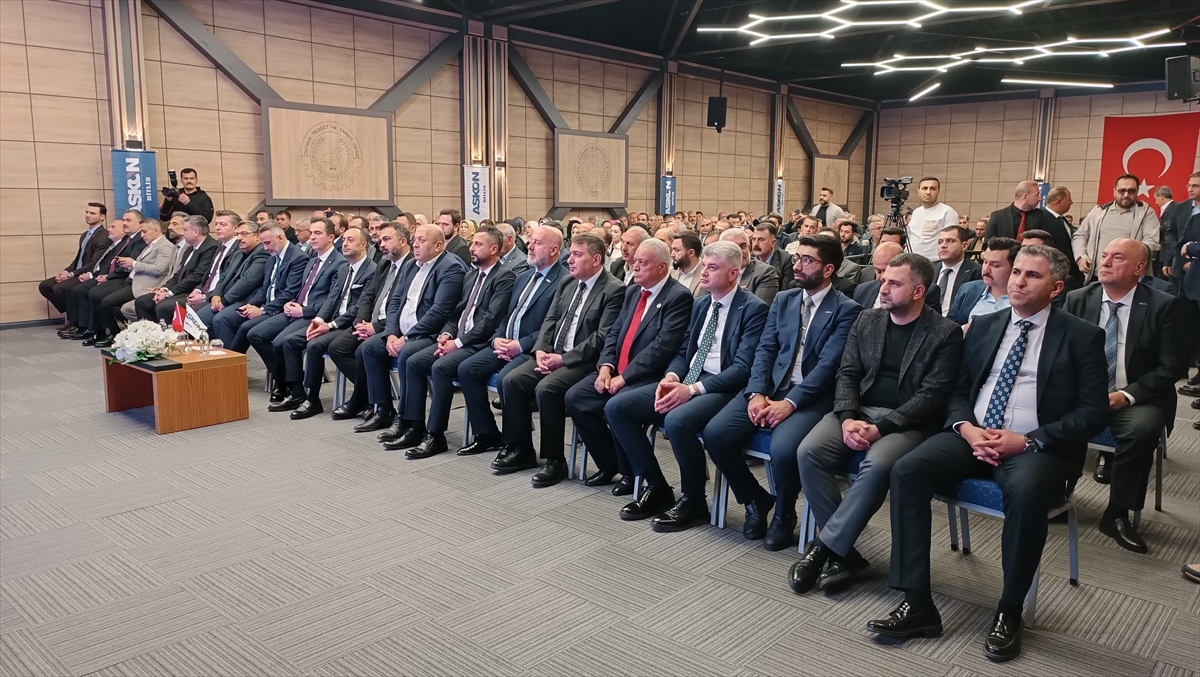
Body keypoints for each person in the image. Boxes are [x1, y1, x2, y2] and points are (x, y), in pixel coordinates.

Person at [867, 245, 1108, 663]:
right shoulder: (984, 325)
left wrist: (1027, 441)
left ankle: (1009, 611)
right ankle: (917, 602)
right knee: (907, 470)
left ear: (1056, 288)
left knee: (1026, 492)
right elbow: (957, 390)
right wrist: (966, 427)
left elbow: (1092, 413)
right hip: (973, 434)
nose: (1018, 281)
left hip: (1037, 447)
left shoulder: (1082, 336)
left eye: (1032, 275)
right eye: (1017, 272)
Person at [790, 254, 963, 594]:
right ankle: (845, 554)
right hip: (858, 411)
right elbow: (847, 374)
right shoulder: (867, 319)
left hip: (907, 422)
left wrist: (880, 429)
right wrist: (847, 418)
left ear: (918, 291)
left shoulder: (945, 332)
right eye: (883, 280)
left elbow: (932, 396)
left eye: (894, 283)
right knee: (809, 452)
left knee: (878, 464)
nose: (883, 288)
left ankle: (823, 549)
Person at [702, 236, 862, 551]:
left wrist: (790, 403)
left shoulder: (847, 309)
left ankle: (784, 514)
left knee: (785, 449)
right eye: (797, 258)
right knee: (716, 434)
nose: (797, 265)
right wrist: (757, 392)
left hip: (810, 396)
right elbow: (765, 350)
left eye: (807, 260)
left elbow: (828, 366)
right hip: (771, 387)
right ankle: (756, 499)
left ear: (828, 269)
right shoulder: (784, 299)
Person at [607, 241, 769, 529]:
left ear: (733, 273)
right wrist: (671, 377)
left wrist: (692, 390)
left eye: (712, 267)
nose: (703, 272)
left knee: (678, 421)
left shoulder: (753, 309)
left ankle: (694, 500)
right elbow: (684, 351)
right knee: (618, 407)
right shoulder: (701, 303)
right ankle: (656, 486)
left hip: (723, 387)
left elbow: (743, 369)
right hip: (689, 378)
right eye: (704, 266)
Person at [1063, 238, 1181, 553]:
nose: (1105, 262)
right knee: (1045, 413)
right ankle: (1055, 495)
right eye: (1104, 256)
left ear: (1139, 267)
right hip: (1085, 394)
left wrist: (1126, 396)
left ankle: (1117, 512)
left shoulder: (1162, 304)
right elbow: (1061, 352)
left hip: (1139, 396)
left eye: (1117, 257)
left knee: (1141, 430)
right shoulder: (1078, 298)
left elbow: (1172, 366)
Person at [490, 234, 625, 484]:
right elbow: (550, 319)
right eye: (570, 253)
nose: (569, 259)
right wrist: (541, 349)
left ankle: (555, 461)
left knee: (547, 389)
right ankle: (521, 449)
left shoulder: (613, 289)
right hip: (553, 352)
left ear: (596, 259)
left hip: (583, 360)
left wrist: (562, 359)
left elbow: (602, 337)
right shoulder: (567, 281)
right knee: (511, 380)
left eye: (577, 255)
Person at [563, 239, 693, 495]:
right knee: (576, 397)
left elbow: (662, 347)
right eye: (635, 261)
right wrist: (605, 368)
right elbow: (614, 333)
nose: (635, 267)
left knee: (616, 406)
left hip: (648, 376)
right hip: (617, 369)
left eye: (643, 262)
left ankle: (644, 478)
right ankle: (613, 464)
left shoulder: (678, 297)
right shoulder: (633, 291)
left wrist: (624, 378)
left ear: (662, 267)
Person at [383, 227, 516, 457]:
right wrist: (446, 335)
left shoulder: (504, 277)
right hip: (458, 339)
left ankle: (436, 435)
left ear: (494, 249)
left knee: (441, 367)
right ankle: (414, 426)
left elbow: (490, 320)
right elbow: (455, 315)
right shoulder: (472, 275)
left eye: (478, 244)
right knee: (414, 361)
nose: (472, 248)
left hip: (480, 342)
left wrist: (458, 343)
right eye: (472, 243)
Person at [455, 226, 566, 457]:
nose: (530, 246)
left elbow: (553, 327)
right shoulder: (523, 277)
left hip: (532, 349)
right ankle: (487, 434)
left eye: (537, 243)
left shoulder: (563, 281)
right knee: (467, 369)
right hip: (506, 343)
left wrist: (521, 345)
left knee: (508, 379)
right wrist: (497, 338)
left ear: (554, 250)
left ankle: (519, 447)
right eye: (531, 241)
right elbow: (508, 315)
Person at [354, 225, 465, 434]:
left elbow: (439, 312)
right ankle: (383, 410)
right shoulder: (411, 265)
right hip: (402, 333)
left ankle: (409, 421)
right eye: (416, 239)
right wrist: (391, 333)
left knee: (407, 353)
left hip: (429, 334)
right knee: (370, 347)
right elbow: (395, 301)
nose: (415, 244)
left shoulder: (451, 267)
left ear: (438, 246)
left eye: (422, 240)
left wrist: (406, 338)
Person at [276, 226, 376, 419]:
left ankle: (315, 398)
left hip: (351, 323)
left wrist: (330, 325)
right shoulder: (344, 268)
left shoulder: (371, 270)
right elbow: (331, 299)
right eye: (344, 240)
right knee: (292, 340)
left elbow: (359, 308)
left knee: (314, 346)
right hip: (332, 320)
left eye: (350, 240)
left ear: (364, 244)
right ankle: (299, 394)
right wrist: (319, 319)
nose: (345, 244)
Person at [249, 218, 347, 401]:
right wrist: (291, 303)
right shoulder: (312, 261)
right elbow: (301, 290)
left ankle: (294, 391)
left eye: (318, 233)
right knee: (255, 334)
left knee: (282, 342)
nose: (313, 237)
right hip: (297, 309)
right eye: (311, 233)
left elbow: (332, 300)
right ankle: (284, 380)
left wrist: (303, 311)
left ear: (331, 237)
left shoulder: (339, 263)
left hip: (314, 314)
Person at [328, 222, 412, 421]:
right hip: (371, 323)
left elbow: (402, 308)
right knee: (337, 348)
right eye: (380, 240)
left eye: (386, 239)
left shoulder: (412, 266)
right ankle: (367, 397)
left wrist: (375, 327)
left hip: (393, 326)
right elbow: (369, 295)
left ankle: (367, 402)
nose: (381, 244)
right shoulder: (384, 263)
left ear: (403, 241)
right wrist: (360, 322)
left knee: (363, 351)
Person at [211, 224, 309, 353]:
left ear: (280, 237)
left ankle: (232, 361)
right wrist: (251, 304)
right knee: (226, 318)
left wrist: (262, 310)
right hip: (266, 304)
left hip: (281, 308)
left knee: (247, 329)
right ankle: (229, 360)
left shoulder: (298, 258)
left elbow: (289, 293)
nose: (265, 248)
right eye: (263, 243)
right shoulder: (273, 257)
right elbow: (264, 288)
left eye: (268, 243)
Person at [95, 218, 174, 345]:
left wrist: (134, 264)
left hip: (146, 286)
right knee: (105, 300)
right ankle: (133, 332)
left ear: (156, 230)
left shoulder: (165, 246)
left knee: (108, 303)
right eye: (141, 232)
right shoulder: (150, 245)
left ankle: (139, 332)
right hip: (134, 282)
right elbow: (140, 265)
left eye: (144, 232)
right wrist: (128, 265)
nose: (141, 235)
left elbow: (159, 269)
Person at [76, 211, 148, 344]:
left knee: (96, 294)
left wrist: (108, 277)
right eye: (124, 220)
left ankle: (113, 332)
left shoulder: (140, 240)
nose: (124, 223)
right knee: (93, 292)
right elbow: (110, 261)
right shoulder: (127, 239)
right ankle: (101, 331)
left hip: (127, 278)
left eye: (128, 220)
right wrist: (102, 275)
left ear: (139, 224)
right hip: (116, 276)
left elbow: (127, 264)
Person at [1074, 174, 1161, 284]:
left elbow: (1151, 240)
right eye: (1122, 190)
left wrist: (1130, 259)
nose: (1126, 195)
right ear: (1114, 191)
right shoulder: (1098, 211)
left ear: (1137, 192)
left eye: (1131, 191)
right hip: (1096, 277)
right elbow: (1080, 235)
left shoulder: (1146, 212)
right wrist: (1081, 257)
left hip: (1129, 280)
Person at [133, 215, 218, 324]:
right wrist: (164, 289)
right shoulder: (190, 248)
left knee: (162, 306)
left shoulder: (211, 247)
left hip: (192, 291)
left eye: (185, 230)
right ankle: (151, 332)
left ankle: (168, 333)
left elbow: (197, 276)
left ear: (196, 232)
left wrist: (170, 293)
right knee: (142, 301)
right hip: (181, 289)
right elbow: (178, 274)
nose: (183, 232)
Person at [40, 202, 111, 326]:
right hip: (77, 272)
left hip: (88, 274)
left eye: (92, 213)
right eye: (87, 212)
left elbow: (94, 263)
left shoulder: (104, 236)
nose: (88, 215)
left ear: (102, 217)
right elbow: (78, 258)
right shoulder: (85, 235)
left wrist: (71, 275)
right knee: (45, 286)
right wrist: (66, 272)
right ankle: (74, 313)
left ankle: (74, 320)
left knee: (59, 288)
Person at [195, 221, 268, 330]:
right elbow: (223, 276)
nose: (239, 238)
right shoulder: (238, 253)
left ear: (257, 236)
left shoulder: (262, 252)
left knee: (219, 319)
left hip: (246, 299)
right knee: (198, 316)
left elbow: (247, 281)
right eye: (237, 234)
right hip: (227, 297)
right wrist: (216, 295)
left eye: (244, 233)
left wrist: (224, 301)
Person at [947, 237, 1020, 326]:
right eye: (985, 262)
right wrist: (964, 330)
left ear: (1014, 268)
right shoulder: (968, 290)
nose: (986, 269)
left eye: (995, 265)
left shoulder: (1023, 298)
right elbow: (948, 327)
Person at [720, 228, 780, 305]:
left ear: (749, 248)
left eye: (743, 246)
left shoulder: (765, 273)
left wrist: (733, 295)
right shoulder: (714, 270)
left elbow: (758, 308)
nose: (740, 252)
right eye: (734, 248)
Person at [932, 226, 982, 317]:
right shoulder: (929, 269)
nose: (943, 245)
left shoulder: (976, 271)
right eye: (940, 242)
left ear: (964, 246)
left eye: (950, 241)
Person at [906, 177, 960, 262]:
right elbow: (910, 237)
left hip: (935, 262)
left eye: (933, 189)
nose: (928, 192)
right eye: (924, 188)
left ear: (938, 191)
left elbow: (952, 240)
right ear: (918, 192)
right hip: (912, 260)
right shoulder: (916, 212)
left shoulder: (947, 212)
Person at [852, 242, 905, 309]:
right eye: (878, 271)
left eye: (886, 271)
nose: (882, 276)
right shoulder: (862, 290)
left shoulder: (909, 294)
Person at [752, 222, 793, 291]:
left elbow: (784, 292)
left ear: (773, 243)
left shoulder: (786, 260)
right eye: (753, 239)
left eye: (761, 240)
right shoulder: (749, 259)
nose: (756, 244)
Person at [670, 231, 705, 297]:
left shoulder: (706, 274)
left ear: (691, 253)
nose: (672, 254)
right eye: (672, 250)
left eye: (677, 250)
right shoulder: (670, 272)